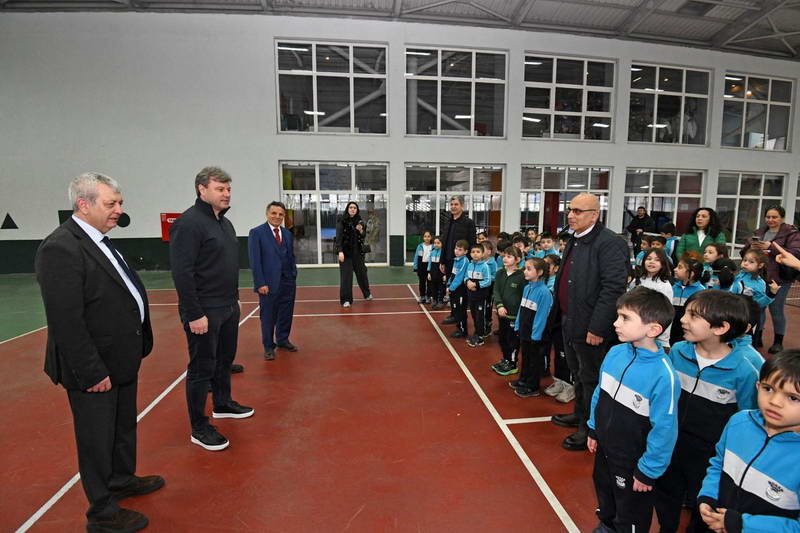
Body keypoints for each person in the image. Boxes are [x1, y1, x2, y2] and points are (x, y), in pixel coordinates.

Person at [35, 172, 164, 532]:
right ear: (83, 204)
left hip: (120, 358)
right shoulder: (61, 248)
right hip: (93, 367)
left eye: (119, 202)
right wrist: (91, 371)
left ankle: (121, 479)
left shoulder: (101, 240)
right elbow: (66, 321)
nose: (119, 210)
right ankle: (103, 514)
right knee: (96, 439)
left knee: (122, 428)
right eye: (111, 204)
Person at [655, 290, 759, 532]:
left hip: (709, 456)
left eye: (693, 315)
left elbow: (748, 419)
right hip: (672, 444)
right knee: (666, 495)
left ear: (720, 327)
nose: (683, 319)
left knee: (703, 508)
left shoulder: (743, 371)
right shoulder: (678, 351)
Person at [170, 166, 254, 452]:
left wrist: (234, 299)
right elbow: (182, 273)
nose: (226, 194)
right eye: (220, 189)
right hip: (204, 310)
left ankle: (222, 403)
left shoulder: (224, 223)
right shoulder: (189, 224)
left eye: (228, 189)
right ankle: (199, 427)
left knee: (224, 360)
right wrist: (194, 313)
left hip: (228, 306)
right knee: (201, 368)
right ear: (202, 190)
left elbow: (226, 266)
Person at [587, 287, 679, 533]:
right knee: (605, 494)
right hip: (606, 449)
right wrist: (593, 428)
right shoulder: (615, 352)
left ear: (653, 329)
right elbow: (600, 392)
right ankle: (607, 525)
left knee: (631, 511)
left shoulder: (664, 375)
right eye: (618, 315)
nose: (616, 323)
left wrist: (648, 470)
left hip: (633, 460)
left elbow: (665, 429)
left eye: (625, 318)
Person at [550, 193, 629, 452]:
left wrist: (597, 327)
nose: (571, 215)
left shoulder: (609, 243)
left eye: (578, 211)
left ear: (594, 215)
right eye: (570, 210)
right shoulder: (575, 238)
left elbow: (613, 288)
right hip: (569, 320)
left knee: (591, 378)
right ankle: (579, 414)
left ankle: (589, 428)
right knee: (577, 373)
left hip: (589, 326)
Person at [697, 349, 800, 533]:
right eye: (768, 389)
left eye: (793, 398)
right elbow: (718, 463)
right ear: (758, 386)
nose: (775, 402)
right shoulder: (739, 422)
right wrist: (708, 496)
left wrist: (743, 524)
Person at [740, 205, 800, 354]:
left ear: (782, 218)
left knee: (776, 309)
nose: (771, 220)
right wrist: (750, 247)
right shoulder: (759, 232)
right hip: (758, 277)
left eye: (775, 217)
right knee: (758, 307)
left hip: (780, 278)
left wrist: (771, 246)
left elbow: (795, 253)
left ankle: (778, 342)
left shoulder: (792, 233)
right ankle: (757, 336)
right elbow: (744, 253)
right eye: (768, 217)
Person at [248, 201, 298, 361]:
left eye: (280, 214)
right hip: (268, 284)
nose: (277, 216)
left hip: (288, 281)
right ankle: (268, 346)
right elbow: (255, 261)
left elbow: (291, 256)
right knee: (268, 316)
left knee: (286, 313)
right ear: (267, 214)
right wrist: (260, 283)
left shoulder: (287, 234)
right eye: (274, 213)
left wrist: (293, 274)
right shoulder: (256, 233)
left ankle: (282, 340)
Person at [510, 257, 553, 397]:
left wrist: (536, 335)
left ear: (539, 272)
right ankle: (523, 379)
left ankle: (532, 386)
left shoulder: (544, 293)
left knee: (534, 360)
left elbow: (541, 317)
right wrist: (517, 325)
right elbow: (521, 309)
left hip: (535, 335)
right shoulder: (527, 288)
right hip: (524, 331)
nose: (525, 271)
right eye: (525, 268)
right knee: (526, 356)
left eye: (529, 269)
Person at [440, 196, 476, 324]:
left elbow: (472, 243)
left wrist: (469, 262)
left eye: (456, 204)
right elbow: (444, 242)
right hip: (449, 261)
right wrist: (442, 261)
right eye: (451, 204)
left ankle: (460, 317)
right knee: (452, 289)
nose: (453, 207)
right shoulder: (448, 222)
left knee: (460, 291)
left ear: (462, 206)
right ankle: (453, 314)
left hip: (462, 263)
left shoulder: (468, 223)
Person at [491, 246, 525, 376]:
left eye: (509, 256)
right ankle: (506, 359)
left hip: (514, 315)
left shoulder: (522, 276)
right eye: (504, 256)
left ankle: (512, 363)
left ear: (518, 260)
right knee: (503, 339)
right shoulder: (500, 273)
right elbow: (496, 290)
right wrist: (499, 305)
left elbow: (523, 296)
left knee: (513, 341)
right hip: (502, 314)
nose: (505, 258)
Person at [629, 248, 674, 348]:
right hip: (635, 330)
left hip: (654, 335)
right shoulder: (638, 280)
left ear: (663, 264)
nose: (651, 262)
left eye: (657, 260)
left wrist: (663, 339)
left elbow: (666, 313)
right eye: (649, 259)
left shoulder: (664, 286)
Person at [335, 201, 372, 307]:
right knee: (346, 277)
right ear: (347, 209)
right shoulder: (341, 221)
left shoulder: (360, 221)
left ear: (357, 210)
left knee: (362, 274)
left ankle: (367, 293)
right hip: (346, 254)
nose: (352, 209)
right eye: (351, 207)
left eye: (354, 208)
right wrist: (340, 251)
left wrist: (361, 231)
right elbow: (339, 237)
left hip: (358, 253)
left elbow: (363, 235)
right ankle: (346, 300)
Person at [670, 257, 705, 346]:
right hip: (672, 329)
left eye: (680, 267)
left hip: (688, 329)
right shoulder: (673, 288)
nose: (675, 269)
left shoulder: (701, 291)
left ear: (691, 273)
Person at [465, 243, 492, 348]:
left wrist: (476, 284)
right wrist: (467, 282)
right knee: (474, 315)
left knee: (480, 316)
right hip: (471, 295)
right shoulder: (470, 265)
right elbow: (466, 276)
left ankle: (480, 336)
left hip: (481, 296)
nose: (475, 254)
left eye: (478, 252)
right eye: (473, 252)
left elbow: (488, 281)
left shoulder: (485, 266)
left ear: (482, 253)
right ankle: (477, 332)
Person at [446, 239, 470, 338]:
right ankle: (459, 327)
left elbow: (459, 277)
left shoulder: (464, 261)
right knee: (456, 309)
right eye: (456, 248)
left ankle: (463, 330)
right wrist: (448, 284)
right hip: (454, 289)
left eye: (460, 250)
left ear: (465, 251)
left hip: (460, 290)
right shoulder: (456, 260)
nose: (457, 251)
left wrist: (451, 288)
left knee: (461, 310)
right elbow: (453, 274)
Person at [412, 230, 433, 304]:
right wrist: (415, 267)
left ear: (431, 237)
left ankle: (428, 297)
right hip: (421, 266)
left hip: (430, 266)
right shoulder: (420, 246)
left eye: (428, 236)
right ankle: (422, 296)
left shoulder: (433, 246)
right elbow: (416, 257)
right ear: (423, 237)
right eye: (425, 236)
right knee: (422, 282)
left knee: (430, 283)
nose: (427, 238)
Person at [427, 236, 445, 309]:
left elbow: (445, 264)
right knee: (433, 287)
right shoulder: (432, 252)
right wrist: (429, 272)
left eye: (438, 243)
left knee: (441, 287)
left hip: (440, 273)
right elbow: (430, 263)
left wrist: (445, 274)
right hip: (433, 272)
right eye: (435, 243)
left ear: (442, 244)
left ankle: (440, 301)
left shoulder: (443, 253)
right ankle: (435, 300)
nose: (436, 244)